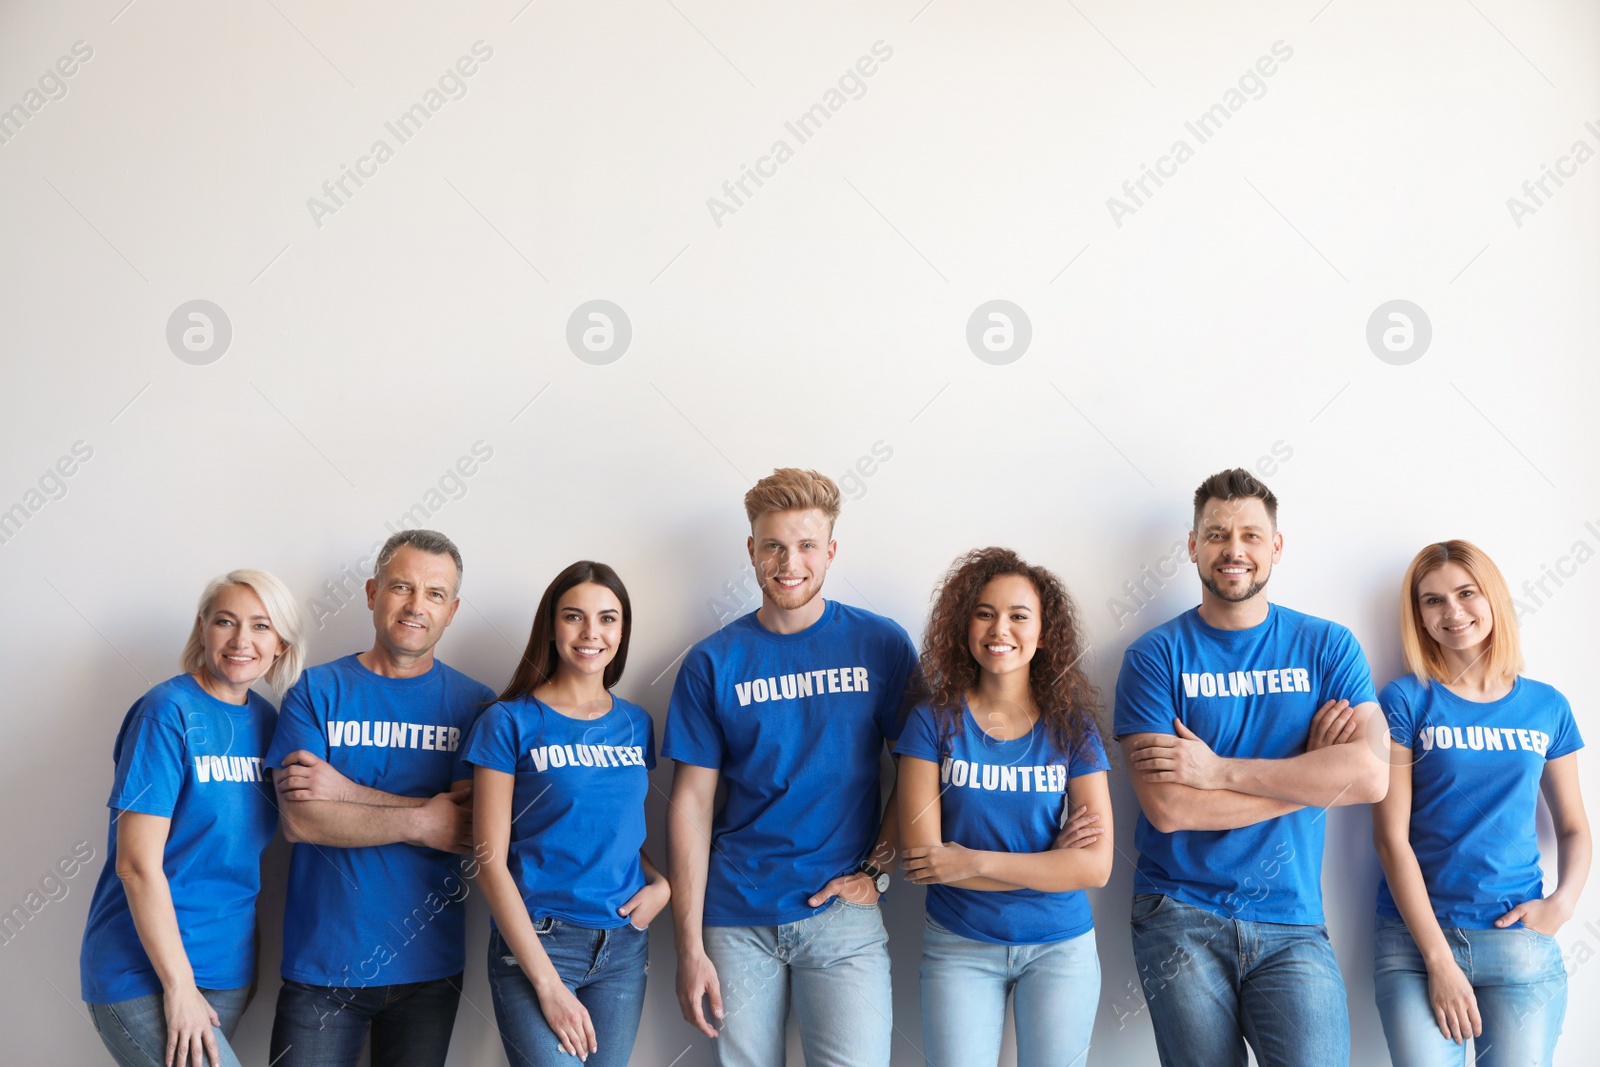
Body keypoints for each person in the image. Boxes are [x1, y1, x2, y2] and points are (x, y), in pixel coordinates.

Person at [1115, 468, 1389, 1067]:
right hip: (1180, 912)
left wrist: (1218, 772)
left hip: (1292, 918)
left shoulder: (1328, 645)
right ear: (1192, 547)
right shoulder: (1154, 657)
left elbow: (1370, 775)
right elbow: (1169, 809)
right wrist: (1315, 777)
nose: (1233, 549)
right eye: (1216, 534)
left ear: (1276, 547)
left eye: (1250, 535)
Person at [664, 468, 918, 1067]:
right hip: (735, 920)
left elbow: (919, 776)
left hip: (843, 918)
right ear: (751, 550)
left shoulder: (881, 646)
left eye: (806, 545)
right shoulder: (712, 662)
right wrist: (688, 946)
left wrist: (876, 874)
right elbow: (692, 807)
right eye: (774, 545)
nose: (789, 563)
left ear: (830, 551)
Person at [265, 530, 495, 1067]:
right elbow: (301, 821)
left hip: (427, 969)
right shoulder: (315, 691)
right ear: (372, 593)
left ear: (453, 610)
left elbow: (464, 826)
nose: (416, 606)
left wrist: (344, 792)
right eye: (401, 587)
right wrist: (421, 819)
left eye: (435, 594)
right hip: (323, 967)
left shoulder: (476, 704)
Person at [1371, 540, 1589, 1067]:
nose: (1453, 612)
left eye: (1466, 593)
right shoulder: (1405, 700)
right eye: (1432, 601)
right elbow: (1390, 838)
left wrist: (1562, 904)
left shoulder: (1546, 706)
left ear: (1492, 598)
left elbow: (1575, 827)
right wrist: (1438, 959)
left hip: (1518, 943)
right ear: (1418, 617)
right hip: (1416, 945)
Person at [80, 569, 307, 1067]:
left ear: (281, 644)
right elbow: (135, 865)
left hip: (227, 969)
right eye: (225, 621)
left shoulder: (269, 723)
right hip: (143, 970)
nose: (241, 640)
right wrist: (178, 987)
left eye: (261, 626)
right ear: (203, 630)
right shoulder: (166, 712)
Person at [896, 547, 1113, 1067]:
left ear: (1043, 632)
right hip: (960, 946)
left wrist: (973, 861)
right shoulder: (931, 723)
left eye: (1019, 616)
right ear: (964, 624)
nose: (1001, 629)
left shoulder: (1073, 729)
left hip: (1061, 948)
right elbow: (926, 861)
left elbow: (1096, 866)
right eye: (985, 613)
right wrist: (1049, 865)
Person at [466, 561, 669, 1067]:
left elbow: (609, 831)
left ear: (622, 631)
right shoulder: (508, 722)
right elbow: (488, 860)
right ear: (550, 626)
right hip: (539, 940)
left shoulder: (636, 724)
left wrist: (660, 882)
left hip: (623, 948)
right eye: (574, 617)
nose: (591, 633)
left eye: (607, 618)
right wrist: (547, 984)